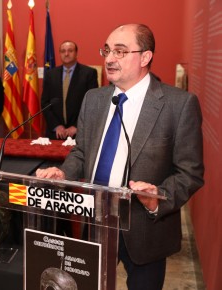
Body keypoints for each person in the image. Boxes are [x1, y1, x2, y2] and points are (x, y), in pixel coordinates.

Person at [36, 24, 204, 290]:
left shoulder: (179, 105)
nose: (109, 58)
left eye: (121, 51)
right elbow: (82, 150)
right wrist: (65, 171)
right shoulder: (94, 99)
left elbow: (190, 173)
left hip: (145, 230)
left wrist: (155, 198)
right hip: (96, 222)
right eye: (107, 50)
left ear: (145, 57)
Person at [41, 40, 98, 140]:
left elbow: (92, 103)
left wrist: (77, 126)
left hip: (79, 133)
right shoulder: (51, 75)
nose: (66, 54)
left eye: (70, 51)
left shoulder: (89, 74)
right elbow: (45, 103)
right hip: (55, 133)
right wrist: (56, 126)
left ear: (76, 53)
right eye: (63, 51)